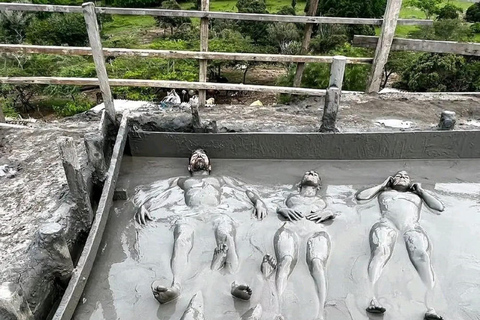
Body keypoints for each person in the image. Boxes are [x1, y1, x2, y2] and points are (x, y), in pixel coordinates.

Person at [135, 149, 268, 304]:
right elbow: (162, 193)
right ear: (189, 167)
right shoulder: (182, 181)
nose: (198, 156)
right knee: (181, 238)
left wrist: (258, 201)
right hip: (191, 214)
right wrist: (145, 205)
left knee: (226, 234)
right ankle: (176, 286)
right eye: (194, 156)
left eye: (202, 155)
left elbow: (245, 190)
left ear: (209, 166)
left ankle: (234, 283)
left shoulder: (220, 180)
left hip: (216, 213)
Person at [356, 170, 445, 320]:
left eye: (406, 176)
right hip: (386, 224)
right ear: (392, 180)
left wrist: (421, 191)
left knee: (422, 256)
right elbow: (361, 197)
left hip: (412, 226)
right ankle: (372, 297)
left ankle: (430, 306)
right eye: (399, 175)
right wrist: (382, 185)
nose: (403, 177)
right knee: (380, 251)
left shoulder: (416, 196)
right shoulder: (384, 192)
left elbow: (438, 207)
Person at [264, 171, 336, 320]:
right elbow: (274, 204)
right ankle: (277, 308)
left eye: (314, 174)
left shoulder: (323, 199)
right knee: (286, 260)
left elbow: (335, 209)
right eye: (308, 173)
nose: (310, 172)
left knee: (317, 262)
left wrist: (328, 212)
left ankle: (321, 312)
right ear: (300, 184)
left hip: (315, 230)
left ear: (319, 185)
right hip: (291, 228)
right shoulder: (291, 197)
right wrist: (282, 209)